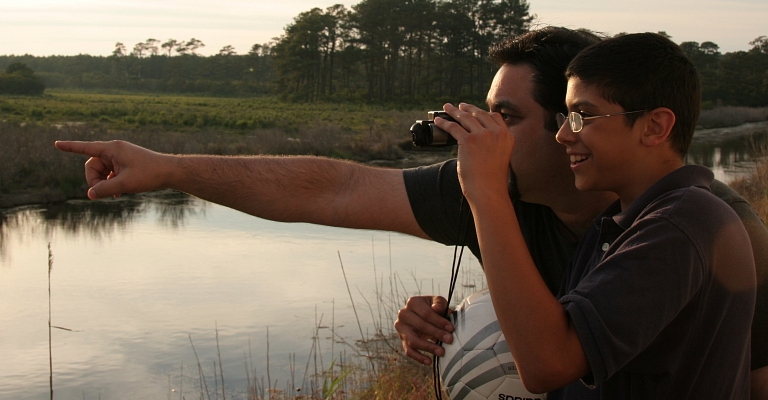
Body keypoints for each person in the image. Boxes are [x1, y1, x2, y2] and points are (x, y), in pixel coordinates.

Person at [54, 27, 768, 396]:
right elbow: (328, 188)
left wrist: (485, 194)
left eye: (506, 117)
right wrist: (171, 166)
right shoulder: (511, 197)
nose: (481, 137)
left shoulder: (707, 226)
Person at [428, 32, 754, 398]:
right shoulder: (620, 229)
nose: (564, 135)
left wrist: (487, 193)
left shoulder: (681, 223)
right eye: (566, 117)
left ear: (655, 127)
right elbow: (555, 332)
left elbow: (547, 363)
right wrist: (460, 324)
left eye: (583, 116)